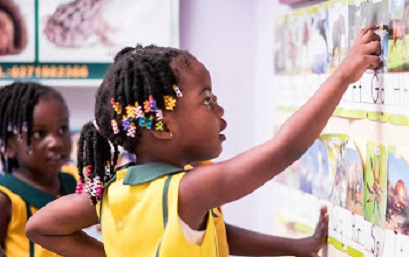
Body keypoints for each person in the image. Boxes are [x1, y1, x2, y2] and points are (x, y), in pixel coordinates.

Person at [25, 26, 383, 257]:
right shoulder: (187, 190)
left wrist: (297, 247)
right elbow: (282, 151)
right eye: (207, 100)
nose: (220, 108)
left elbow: (40, 227)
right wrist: (343, 75)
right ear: (163, 127)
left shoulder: (114, 191)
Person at [0, 82, 75, 257]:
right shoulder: (6, 197)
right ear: (9, 145)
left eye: (62, 129)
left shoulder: (72, 184)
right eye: (39, 134)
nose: (55, 142)